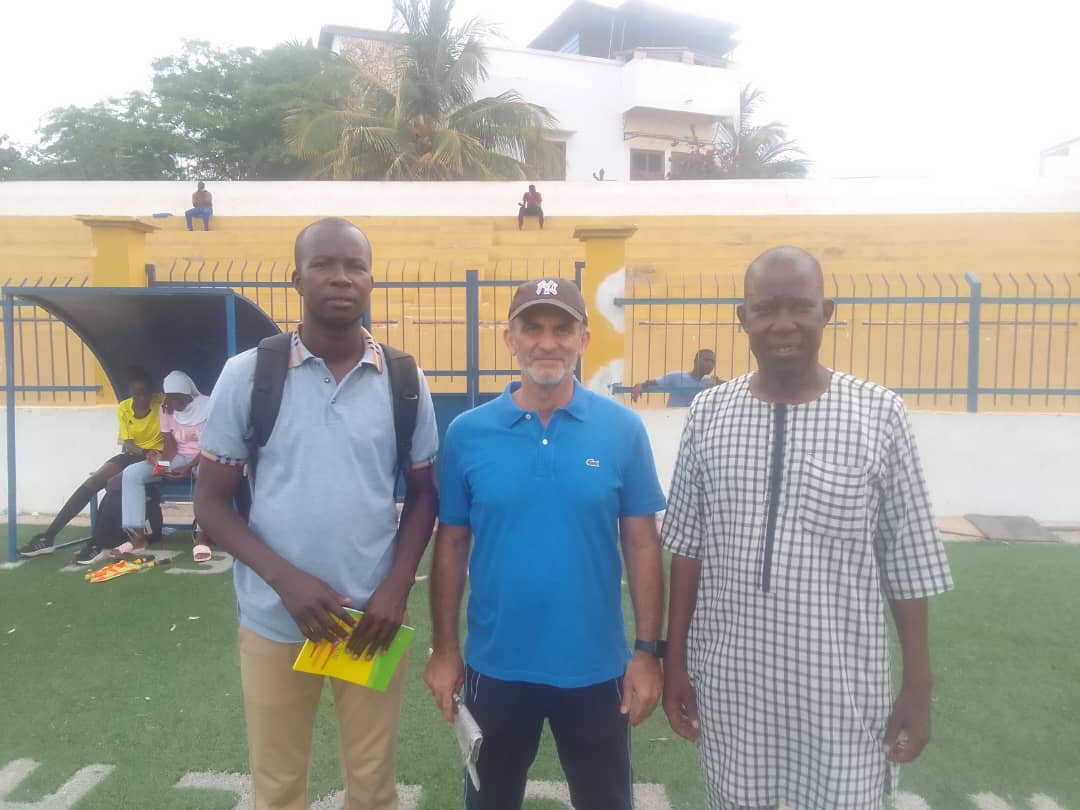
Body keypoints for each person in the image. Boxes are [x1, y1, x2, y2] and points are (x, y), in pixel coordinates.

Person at [660, 246, 954, 810]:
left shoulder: (879, 414)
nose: (783, 324)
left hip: (842, 691)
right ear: (743, 318)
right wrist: (675, 662)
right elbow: (688, 549)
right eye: (766, 309)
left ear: (827, 312)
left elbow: (909, 564)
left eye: (800, 306)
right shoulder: (709, 414)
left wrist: (919, 686)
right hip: (732, 687)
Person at [194, 217, 439, 810]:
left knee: (373, 785)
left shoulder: (403, 379)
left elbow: (425, 493)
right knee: (277, 786)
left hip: (369, 622)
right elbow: (211, 503)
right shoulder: (249, 375)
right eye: (324, 265)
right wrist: (287, 582)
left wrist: (396, 588)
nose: (341, 278)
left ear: (371, 280)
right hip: (276, 618)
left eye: (355, 266)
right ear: (297, 279)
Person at [424, 277, 666, 810]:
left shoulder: (622, 430)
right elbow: (452, 544)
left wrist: (648, 652)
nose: (547, 342)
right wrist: (444, 649)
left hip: (597, 668)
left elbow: (642, 544)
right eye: (532, 328)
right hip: (496, 667)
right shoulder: (467, 432)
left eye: (562, 329)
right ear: (509, 339)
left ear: (584, 339)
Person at [18, 367, 164, 558]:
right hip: (135, 454)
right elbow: (127, 442)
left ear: (151, 391)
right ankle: (47, 537)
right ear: (130, 392)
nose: (142, 398)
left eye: (145, 393)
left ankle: (95, 544)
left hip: (153, 459)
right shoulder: (124, 407)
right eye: (137, 394)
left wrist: (153, 453)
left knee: (114, 484)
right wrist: (143, 451)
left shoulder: (162, 403)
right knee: (95, 480)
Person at [109, 370, 211, 557]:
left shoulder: (208, 407)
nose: (173, 403)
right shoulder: (166, 409)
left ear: (188, 394)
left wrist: (188, 467)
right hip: (178, 456)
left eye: (177, 398)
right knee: (132, 473)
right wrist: (161, 467)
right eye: (169, 398)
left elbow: (212, 445)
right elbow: (170, 446)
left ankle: (201, 538)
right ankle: (137, 538)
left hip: (205, 457)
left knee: (205, 474)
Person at [630, 348, 718, 407]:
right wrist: (640, 385)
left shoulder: (710, 382)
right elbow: (651, 383)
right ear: (695, 361)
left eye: (712, 362)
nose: (710, 364)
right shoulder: (677, 376)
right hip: (672, 420)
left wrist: (716, 380)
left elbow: (727, 385)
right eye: (706, 360)